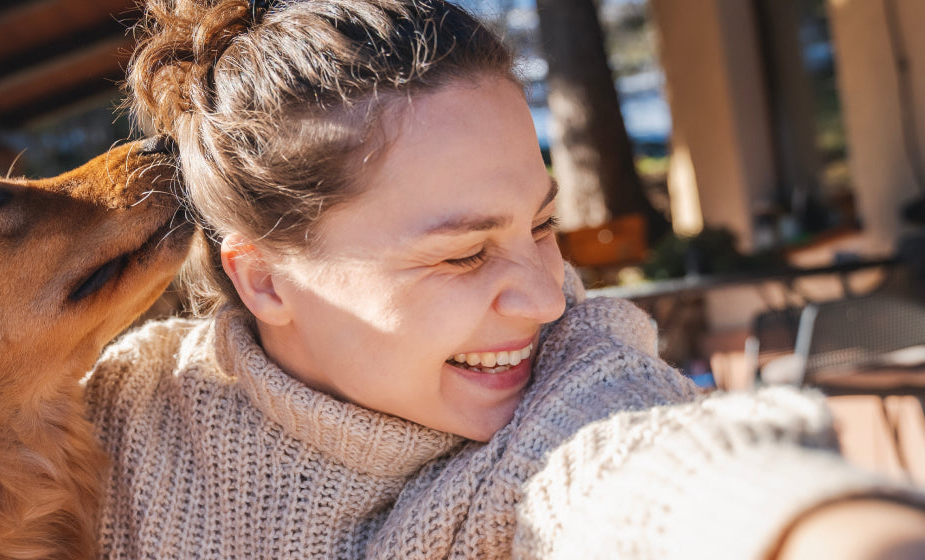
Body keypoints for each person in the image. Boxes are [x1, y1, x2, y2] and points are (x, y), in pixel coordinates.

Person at [82, 0, 925, 558]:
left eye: (542, 226)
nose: (548, 296)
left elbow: (651, 463)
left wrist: (832, 530)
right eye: (461, 254)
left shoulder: (568, 381)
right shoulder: (106, 426)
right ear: (264, 283)